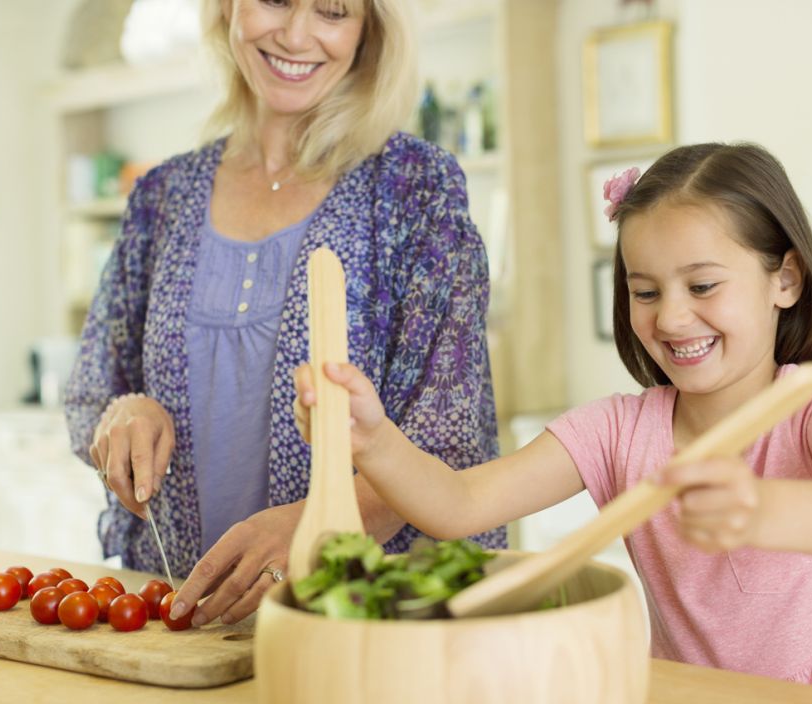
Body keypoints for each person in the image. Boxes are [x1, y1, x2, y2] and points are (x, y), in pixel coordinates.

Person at [292, 143, 812, 701]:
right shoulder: (617, 432)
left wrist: (760, 508)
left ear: (784, 280)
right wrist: (372, 440)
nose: (672, 318)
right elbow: (458, 505)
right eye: (645, 291)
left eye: (702, 287)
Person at [64, 0, 506, 629]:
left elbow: (450, 436)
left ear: (368, 31)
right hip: (176, 618)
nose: (297, 35)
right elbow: (95, 389)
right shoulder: (161, 196)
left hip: (360, 617)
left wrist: (318, 522)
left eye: (332, 11)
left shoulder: (418, 187)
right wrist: (125, 411)